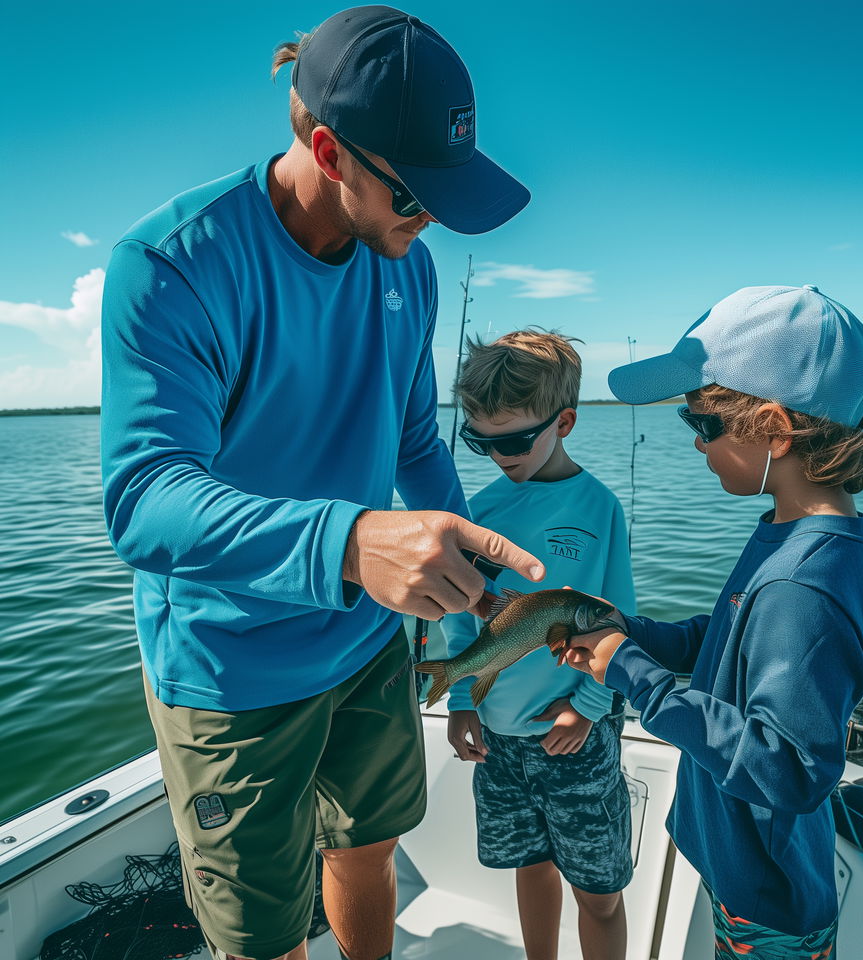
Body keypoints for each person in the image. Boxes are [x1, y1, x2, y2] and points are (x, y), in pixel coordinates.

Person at [99, 7, 544, 960]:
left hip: (370, 642)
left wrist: (470, 583)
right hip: (231, 667)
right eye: (414, 197)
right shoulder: (171, 267)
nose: (428, 224)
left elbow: (417, 446)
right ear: (331, 150)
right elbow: (142, 497)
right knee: (262, 936)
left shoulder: (409, 270)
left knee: (370, 850)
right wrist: (349, 543)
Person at [563, 284, 863, 960]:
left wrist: (635, 677)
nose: (695, 445)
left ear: (773, 427)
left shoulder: (805, 583)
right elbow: (726, 641)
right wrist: (630, 632)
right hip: (743, 870)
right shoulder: (791, 531)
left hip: (766, 906)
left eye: (700, 424)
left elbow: (793, 770)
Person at [442, 329, 637, 960]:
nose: (500, 456)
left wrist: (584, 705)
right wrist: (462, 700)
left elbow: (619, 620)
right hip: (498, 737)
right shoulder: (479, 511)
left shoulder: (601, 509)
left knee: (599, 891)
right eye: (481, 441)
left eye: (516, 439)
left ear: (566, 421)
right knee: (531, 866)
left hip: (577, 734)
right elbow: (459, 621)